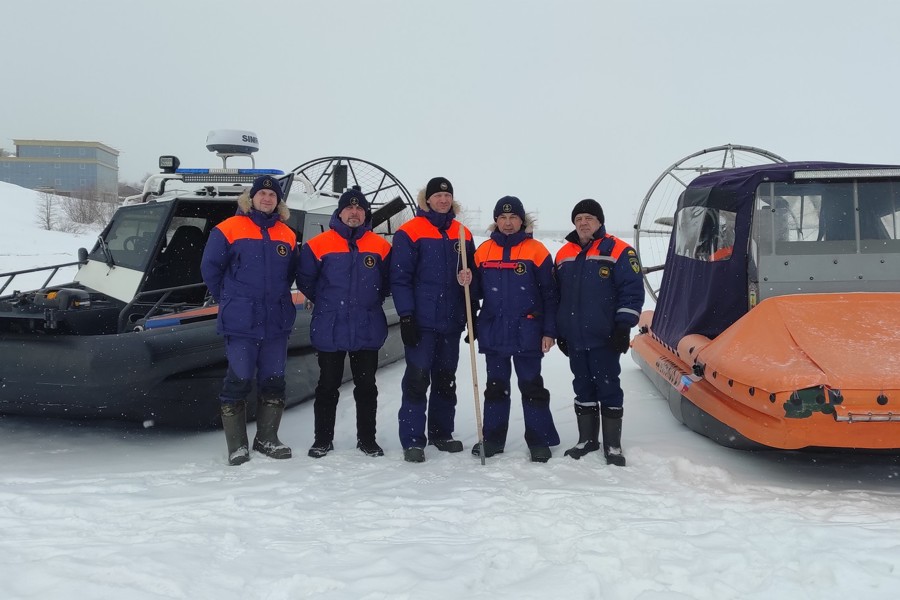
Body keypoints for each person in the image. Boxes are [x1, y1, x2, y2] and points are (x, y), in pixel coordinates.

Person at [201, 174, 298, 466]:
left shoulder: (287, 234)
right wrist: (231, 299)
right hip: (241, 319)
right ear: (251, 198)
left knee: (274, 379)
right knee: (240, 377)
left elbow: (290, 272)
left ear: (279, 202)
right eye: (262, 194)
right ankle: (237, 445)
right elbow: (211, 268)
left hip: (276, 319)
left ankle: (267, 438)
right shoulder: (228, 229)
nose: (267, 199)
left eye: (273, 196)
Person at [296, 187, 391, 458]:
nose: (354, 212)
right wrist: (326, 301)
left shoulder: (380, 246)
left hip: (366, 324)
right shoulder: (319, 244)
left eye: (360, 209)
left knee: (367, 386)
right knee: (327, 386)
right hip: (331, 325)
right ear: (340, 212)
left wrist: (368, 301)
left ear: (365, 214)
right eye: (349, 208)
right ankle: (322, 439)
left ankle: (367, 439)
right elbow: (306, 279)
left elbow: (386, 282)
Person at [390, 176, 477, 463]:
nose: (443, 200)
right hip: (422, 320)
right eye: (437, 196)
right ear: (426, 199)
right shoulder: (410, 232)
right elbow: (400, 279)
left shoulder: (463, 233)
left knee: (446, 379)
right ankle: (413, 439)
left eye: (447, 196)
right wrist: (406, 316)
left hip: (451, 320)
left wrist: (470, 293)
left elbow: (472, 276)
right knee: (416, 379)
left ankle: (442, 433)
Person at [554, 199, 644, 466]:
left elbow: (632, 292)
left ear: (600, 222)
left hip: (605, 337)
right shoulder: (564, 254)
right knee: (582, 386)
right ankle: (587, 440)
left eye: (589, 218)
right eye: (579, 218)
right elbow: (557, 295)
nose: (583, 223)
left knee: (608, 386)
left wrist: (622, 327)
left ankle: (613, 445)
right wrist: (561, 329)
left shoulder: (619, 250)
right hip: (575, 337)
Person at [471, 196, 560, 462]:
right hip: (494, 330)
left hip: (528, 330)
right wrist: (464, 279)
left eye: (513, 218)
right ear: (495, 221)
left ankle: (539, 440)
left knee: (532, 386)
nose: (508, 223)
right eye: (502, 218)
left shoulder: (537, 250)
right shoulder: (483, 251)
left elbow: (550, 295)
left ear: (522, 220)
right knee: (496, 387)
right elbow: (474, 293)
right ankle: (493, 439)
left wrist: (549, 331)